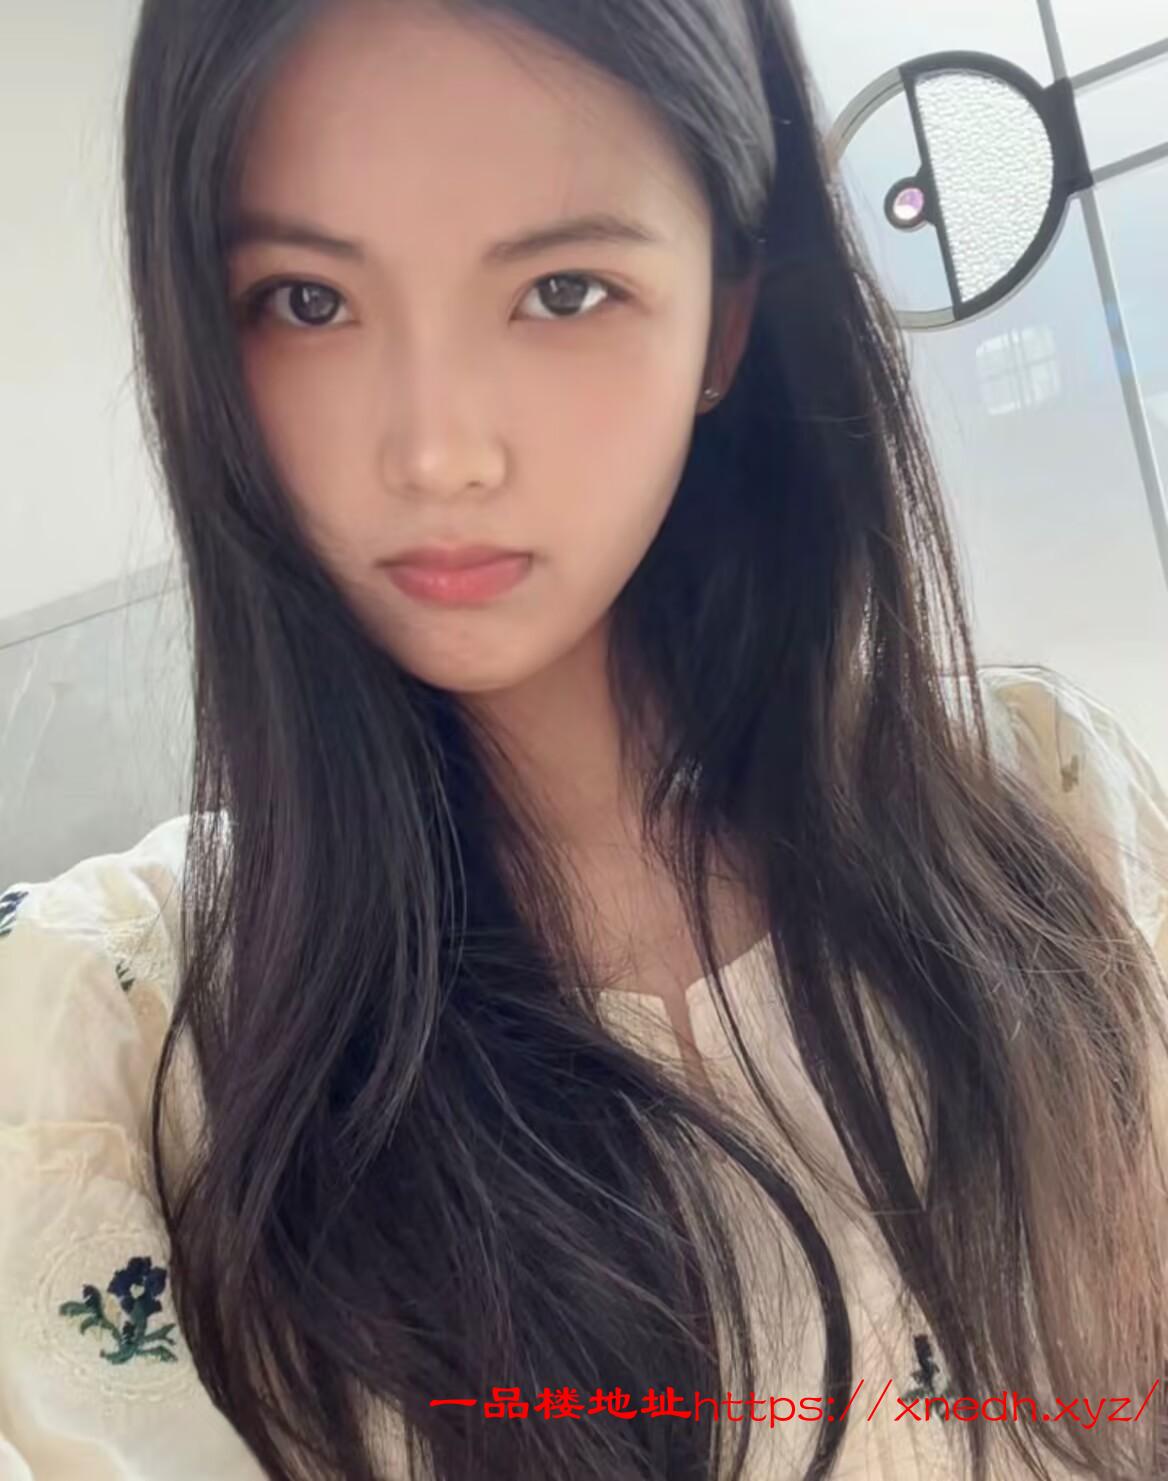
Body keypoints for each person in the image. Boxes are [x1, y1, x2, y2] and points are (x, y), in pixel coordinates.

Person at [2, 0, 1166, 1477]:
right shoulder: (108, 1042)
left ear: (724, 322)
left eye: (562, 290)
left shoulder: (1048, 807)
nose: (438, 451)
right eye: (306, 301)